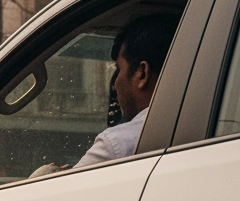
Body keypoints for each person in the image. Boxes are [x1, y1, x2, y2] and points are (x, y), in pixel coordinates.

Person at [75, 14, 179, 167]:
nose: (115, 84)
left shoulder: (116, 146)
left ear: (142, 73)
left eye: (119, 70)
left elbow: (57, 190)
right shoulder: (212, 128)